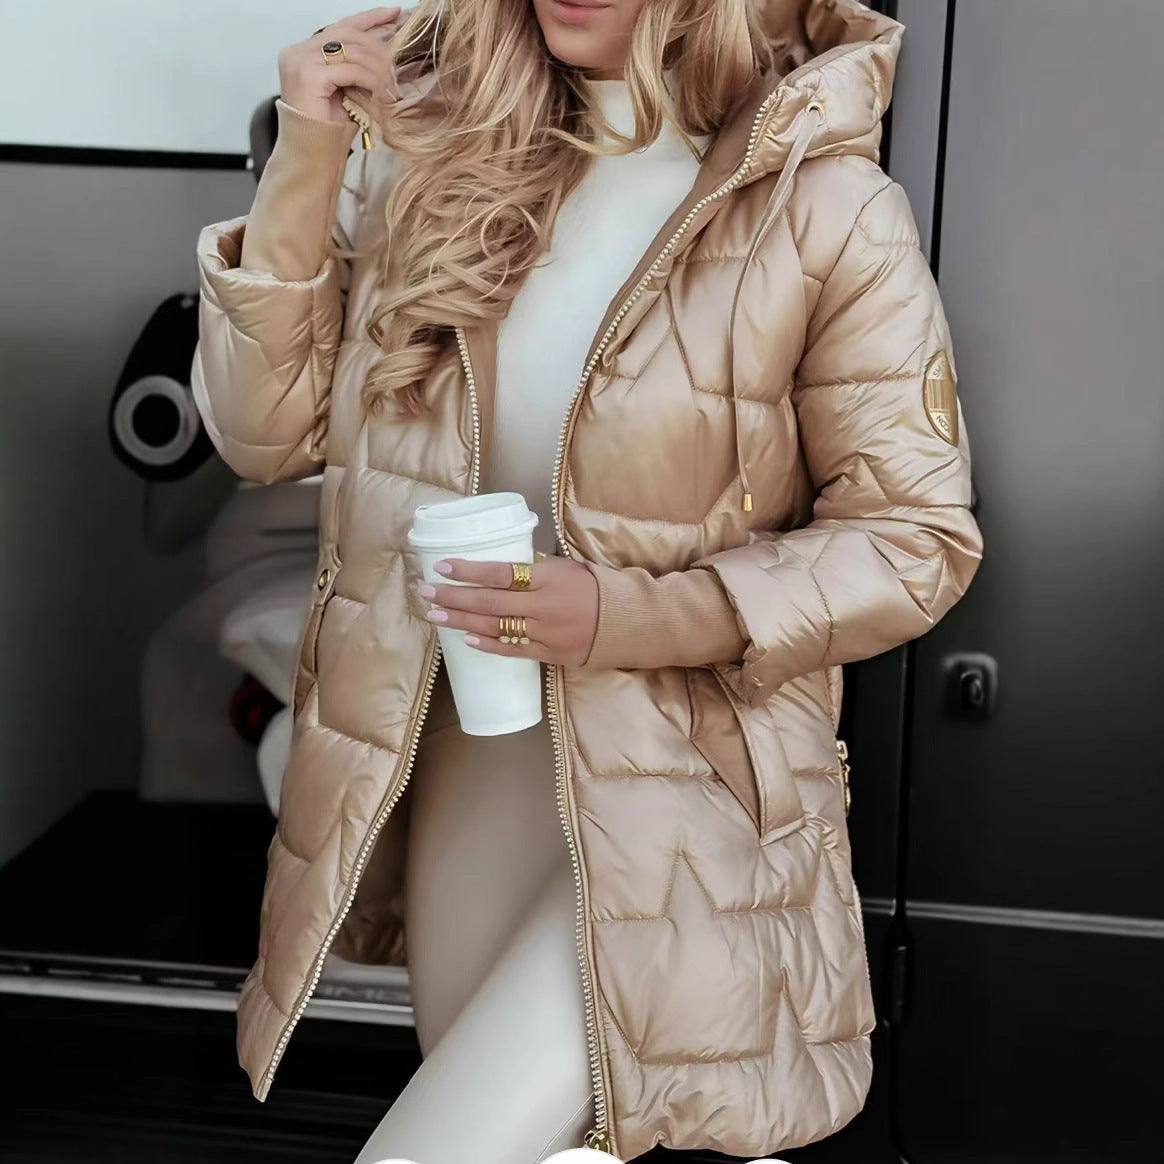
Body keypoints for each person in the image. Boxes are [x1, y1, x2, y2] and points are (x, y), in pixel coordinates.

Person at [190, 0, 984, 1160]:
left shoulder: (823, 207)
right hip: (469, 776)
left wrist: (624, 613)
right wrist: (312, 146)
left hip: (687, 806)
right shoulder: (433, 176)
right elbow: (263, 436)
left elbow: (913, 540)